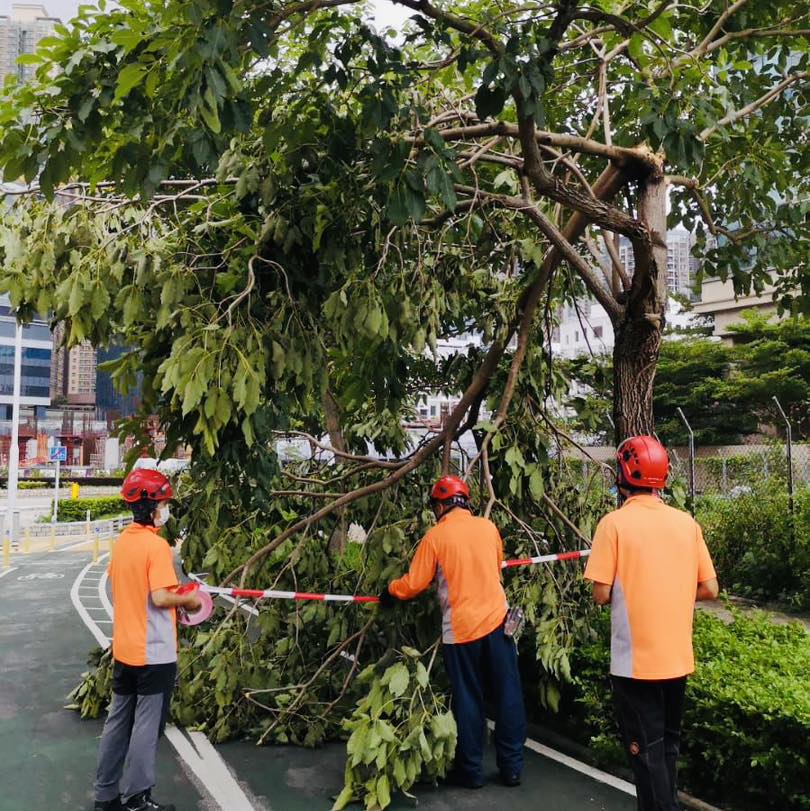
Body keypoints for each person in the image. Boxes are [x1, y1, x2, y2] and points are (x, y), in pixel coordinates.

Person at [584, 436, 719, 811]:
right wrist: (671, 591)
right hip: (677, 661)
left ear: (623, 475)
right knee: (667, 749)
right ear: (665, 475)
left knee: (646, 756)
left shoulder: (613, 524)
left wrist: (638, 591)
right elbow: (709, 587)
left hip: (635, 665)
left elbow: (600, 593)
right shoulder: (686, 523)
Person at [380, 475, 526, 789]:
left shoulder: (436, 536)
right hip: (500, 624)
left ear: (442, 504)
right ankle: (512, 769)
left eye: (435, 506)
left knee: (469, 700)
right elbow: (496, 563)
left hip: (462, 632)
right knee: (508, 696)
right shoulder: (488, 527)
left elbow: (415, 583)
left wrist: (390, 592)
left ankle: (471, 772)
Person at [93, 469, 201, 811]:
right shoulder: (157, 547)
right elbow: (160, 597)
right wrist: (190, 599)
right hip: (154, 653)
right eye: (164, 502)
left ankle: (105, 796)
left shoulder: (122, 543)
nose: (165, 508)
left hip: (124, 649)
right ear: (153, 507)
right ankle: (138, 799)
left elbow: (127, 590)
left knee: (118, 721)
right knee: (146, 726)